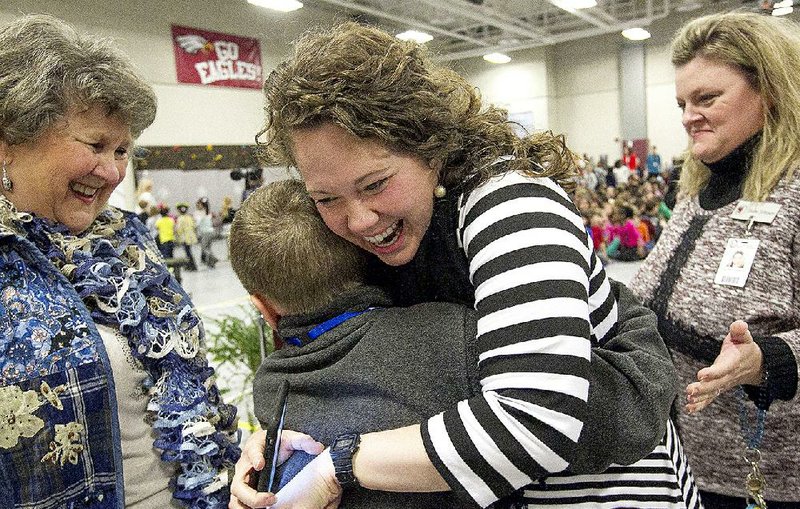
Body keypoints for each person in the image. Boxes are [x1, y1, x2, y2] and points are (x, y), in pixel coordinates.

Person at [232, 21, 680, 509]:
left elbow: (536, 421)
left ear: (431, 146)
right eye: (325, 197)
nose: (358, 219)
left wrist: (340, 463)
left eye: (376, 184)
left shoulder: (507, 203)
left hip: (603, 492)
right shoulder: (386, 227)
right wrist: (285, 443)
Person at [230, 179, 699, 508]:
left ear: (262, 307)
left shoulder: (272, 394)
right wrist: (628, 317)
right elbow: (611, 417)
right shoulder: (453, 337)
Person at [0, 15, 240, 508]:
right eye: (94, 145)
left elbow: (193, 385)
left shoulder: (127, 238)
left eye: (122, 149)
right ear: (9, 144)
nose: (110, 172)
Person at [629, 12, 800, 508]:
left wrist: (769, 358)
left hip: (769, 483)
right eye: (682, 102)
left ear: (769, 91)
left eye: (707, 99)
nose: (688, 116)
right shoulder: (698, 192)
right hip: (682, 468)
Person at [195, 196, 218, 268]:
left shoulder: (199, 213)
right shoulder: (208, 212)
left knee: (204, 248)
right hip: (211, 231)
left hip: (205, 233)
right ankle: (211, 263)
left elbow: (197, 223)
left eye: (198, 204)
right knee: (208, 247)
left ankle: (213, 258)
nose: (197, 206)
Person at [175, 201, 199, 271]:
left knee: (187, 252)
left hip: (184, 238)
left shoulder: (180, 218)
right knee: (189, 251)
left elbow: (179, 229)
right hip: (191, 237)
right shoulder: (189, 217)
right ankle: (191, 265)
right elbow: (194, 226)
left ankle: (191, 265)